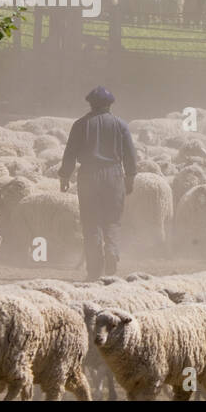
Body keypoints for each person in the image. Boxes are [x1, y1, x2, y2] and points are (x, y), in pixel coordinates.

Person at [58, 86, 137, 279]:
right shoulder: (121, 125)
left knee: (91, 222)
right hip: (114, 175)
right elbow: (130, 155)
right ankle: (112, 252)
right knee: (113, 220)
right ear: (110, 104)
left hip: (88, 175)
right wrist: (130, 178)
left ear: (90, 103)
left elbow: (70, 153)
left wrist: (65, 176)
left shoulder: (80, 124)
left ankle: (94, 269)